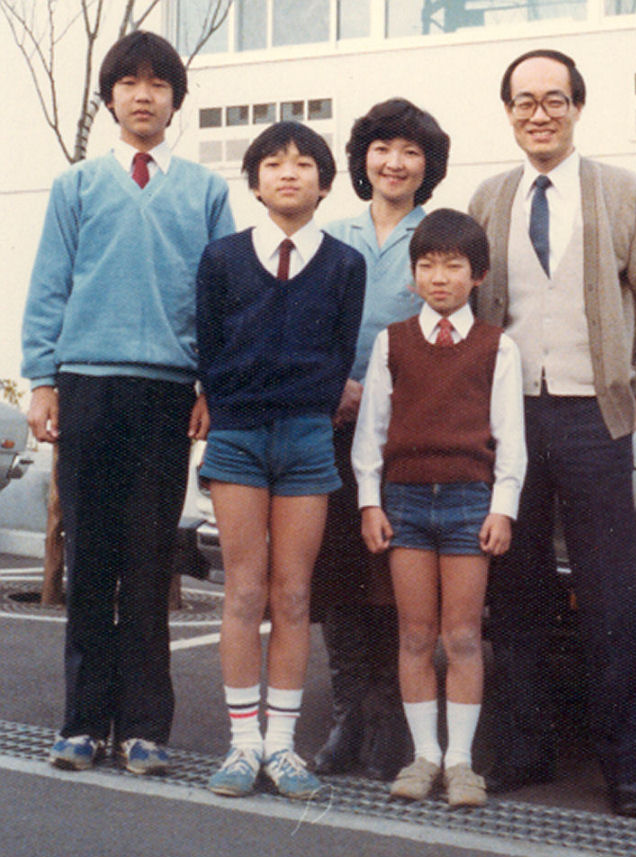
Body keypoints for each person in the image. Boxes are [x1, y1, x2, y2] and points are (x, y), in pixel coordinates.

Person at [468, 48, 636, 817]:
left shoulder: (622, 192)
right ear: (508, 112)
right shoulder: (490, 196)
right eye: (523, 100)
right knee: (516, 592)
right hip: (513, 420)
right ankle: (523, 753)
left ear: (577, 107)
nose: (539, 112)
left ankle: (624, 768)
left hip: (595, 417)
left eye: (553, 99)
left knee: (610, 597)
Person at [21, 31, 235, 775]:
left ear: (176, 99)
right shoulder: (74, 186)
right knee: (89, 556)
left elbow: (220, 299)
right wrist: (41, 380)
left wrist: (210, 383)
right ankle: (81, 722)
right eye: (130, 82)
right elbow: (49, 285)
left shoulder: (207, 192)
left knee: (148, 562)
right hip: (86, 384)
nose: (144, 94)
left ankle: (145, 727)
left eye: (158, 83)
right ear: (110, 97)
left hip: (167, 393)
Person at [197, 122, 365, 800]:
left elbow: (341, 352)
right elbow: (209, 348)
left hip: (306, 440)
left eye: (304, 164)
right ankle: (242, 745)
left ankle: (282, 746)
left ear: (325, 183)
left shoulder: (345, 265)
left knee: (295, 594)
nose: (288, 172)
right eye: (273, 162)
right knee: (244, 590)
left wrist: (313, 408)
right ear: (256, 180)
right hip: (236, 436)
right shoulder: (220, 258)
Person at [352, 208, 526, 807]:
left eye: (453, 265)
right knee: (415, 635)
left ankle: (462, 763)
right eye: (426, 265)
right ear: (413, 274)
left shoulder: (495, 347)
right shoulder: (391, 342)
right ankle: (424, 756)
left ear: (477, 275)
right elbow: (369, 433)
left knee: (463, 637)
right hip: (402, 503)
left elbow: (511, 439)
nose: (439, 277)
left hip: (467, 504)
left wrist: (501, 508)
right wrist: (370, 502)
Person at [313, 98, 450, 781]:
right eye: (382, 149)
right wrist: (336, 384)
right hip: (335, 423)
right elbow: (306, 327)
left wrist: (386, 395)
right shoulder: (332, 234)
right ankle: (349, 716)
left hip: (408, 433)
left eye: (411, 152)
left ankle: (390, 720)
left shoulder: (442, 237)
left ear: (429, 166)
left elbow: (456, 339)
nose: (394, 163)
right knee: (336, 574)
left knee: (394, 577)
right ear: (363, 158)